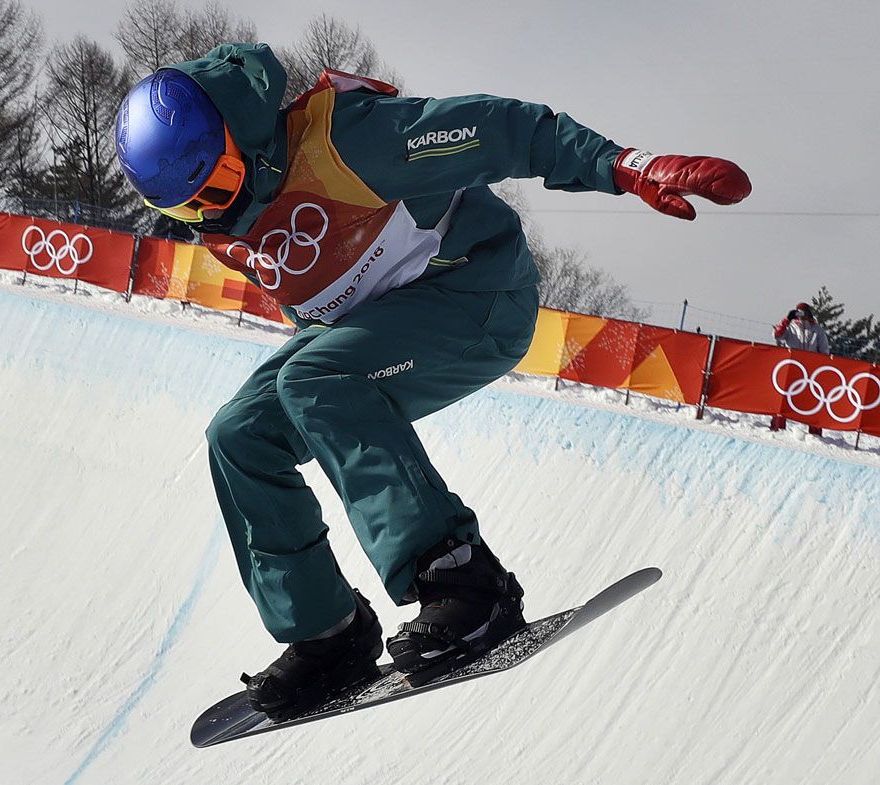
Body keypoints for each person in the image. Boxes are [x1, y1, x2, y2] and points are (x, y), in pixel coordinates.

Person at [114, 43, 752, 718]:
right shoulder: (221, 214)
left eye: (216, 187)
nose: (214, 213)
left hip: (476, 294)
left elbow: (498, 129)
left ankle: (467, 582)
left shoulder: (347, 140)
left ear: (237, 138)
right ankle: (327, 634)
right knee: (238, 434)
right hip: (375, 322)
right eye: (189, 211)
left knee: (314, 377)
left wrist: (620, 164)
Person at [771, 303, 830, 435]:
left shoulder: (817, 330)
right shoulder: (790, 327)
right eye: (798, 313)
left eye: (803, 312)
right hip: (791, 368)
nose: (801, 315)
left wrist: (821, 366)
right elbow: (776, 335)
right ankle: (777, 427)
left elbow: (824, 351)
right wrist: (787, 319)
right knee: (784, 397)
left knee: (814, 400)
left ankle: (815, 432)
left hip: (811, 371)